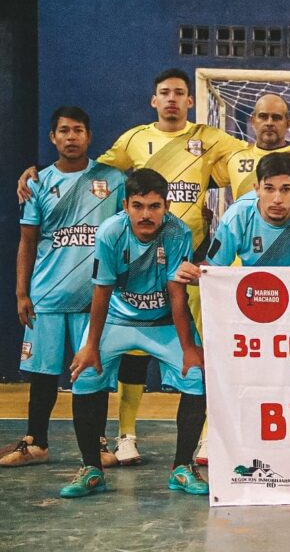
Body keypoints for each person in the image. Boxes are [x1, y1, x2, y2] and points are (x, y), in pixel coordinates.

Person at [18, 68, 244, 466]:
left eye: (179, 93)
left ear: (191, 101)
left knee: (198, 363)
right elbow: (84, 172)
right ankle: (122, 437)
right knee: (108, 365)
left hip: (186, 266)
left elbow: (253, 157)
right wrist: (34, 171)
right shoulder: (131, 145)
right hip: (122, 285)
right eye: (164, 93)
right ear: (153, 100)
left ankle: (201, 445)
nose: (172, 99)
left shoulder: (211, 140)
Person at [62, 169, 207, 498]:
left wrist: (187, 348)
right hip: (117, 319)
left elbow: (176, 295)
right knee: (85, 373)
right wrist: (91, 346)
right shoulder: (110, 232)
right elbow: (101, 292)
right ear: (125, 205)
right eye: (138, 206)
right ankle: (91, 469)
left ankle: (182, 468)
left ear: (166, 206)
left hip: (163, 323)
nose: (146, 215)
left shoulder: (178, 232)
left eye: (154, 207)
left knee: (197, 375)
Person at [0, 107, 125, 469]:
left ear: (89, 136)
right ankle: (36, 442)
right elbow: (27, 241)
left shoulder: (112, 179)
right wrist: (22, 293)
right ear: (53, 138)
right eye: (64, 131)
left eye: (79, 131)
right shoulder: (37, 182)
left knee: (92, 373)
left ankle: (99, 443)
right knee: (42, 374)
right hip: (47, 297)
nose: (72, 137)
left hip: (95, 299)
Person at [175, 152, 290, 277]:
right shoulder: (237, 216)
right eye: (269, 188)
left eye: (285, 189)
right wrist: (187, 273)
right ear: (257, 189)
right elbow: (213, 270)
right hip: (256, 293)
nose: (277, 199)